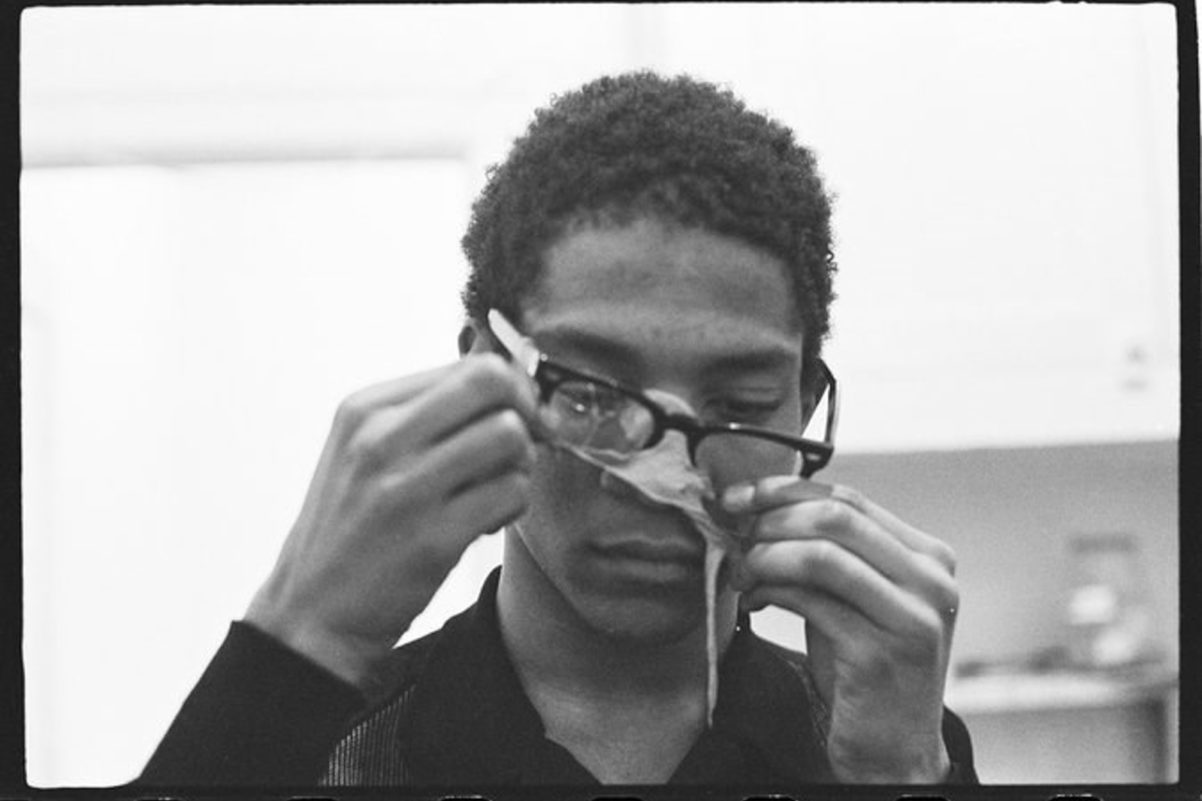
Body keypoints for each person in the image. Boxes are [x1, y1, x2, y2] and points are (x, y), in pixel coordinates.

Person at [139, 71, 975, 786]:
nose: (660, 477)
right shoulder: (319, 751)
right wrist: (296, 638)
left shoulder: (885, 744)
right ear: (482, 375)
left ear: (803, 403)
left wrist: (901, 776)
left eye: (740, 401)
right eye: (589, 390)